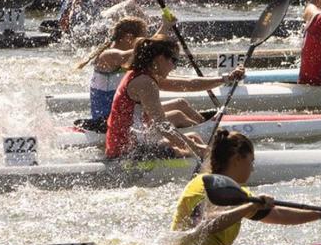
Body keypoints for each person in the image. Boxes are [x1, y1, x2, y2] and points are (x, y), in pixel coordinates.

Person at [172, 130, 321, 245]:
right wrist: (248, 208)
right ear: (237, 159)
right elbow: (205, 224)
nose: (253, 168)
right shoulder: (205, 187)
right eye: (251, 161)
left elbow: (278, 214)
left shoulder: (234, 191)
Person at [104, 37, 244, 159]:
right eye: (174, 61)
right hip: (127, 151)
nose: (174, 67)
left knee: (193, 137)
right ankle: (218, 168)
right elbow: (162, 126)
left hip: (133, 141)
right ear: (160, 58)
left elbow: (189, 84)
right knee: (196, 147)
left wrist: (226, 78)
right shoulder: (145, 83)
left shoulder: (143, 74)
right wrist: (196, 149)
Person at [74, 14, 185, 127]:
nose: (143, 43)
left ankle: (202, 127)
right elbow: (147, 49)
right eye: (142, 39)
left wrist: (165, 26)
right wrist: (164, 27)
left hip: (126, 115)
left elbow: (147, 49)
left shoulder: (126, 60)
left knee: (181, 104)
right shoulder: (107, 56)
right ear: (128, 37)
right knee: (177, 115)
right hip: (107, 121)